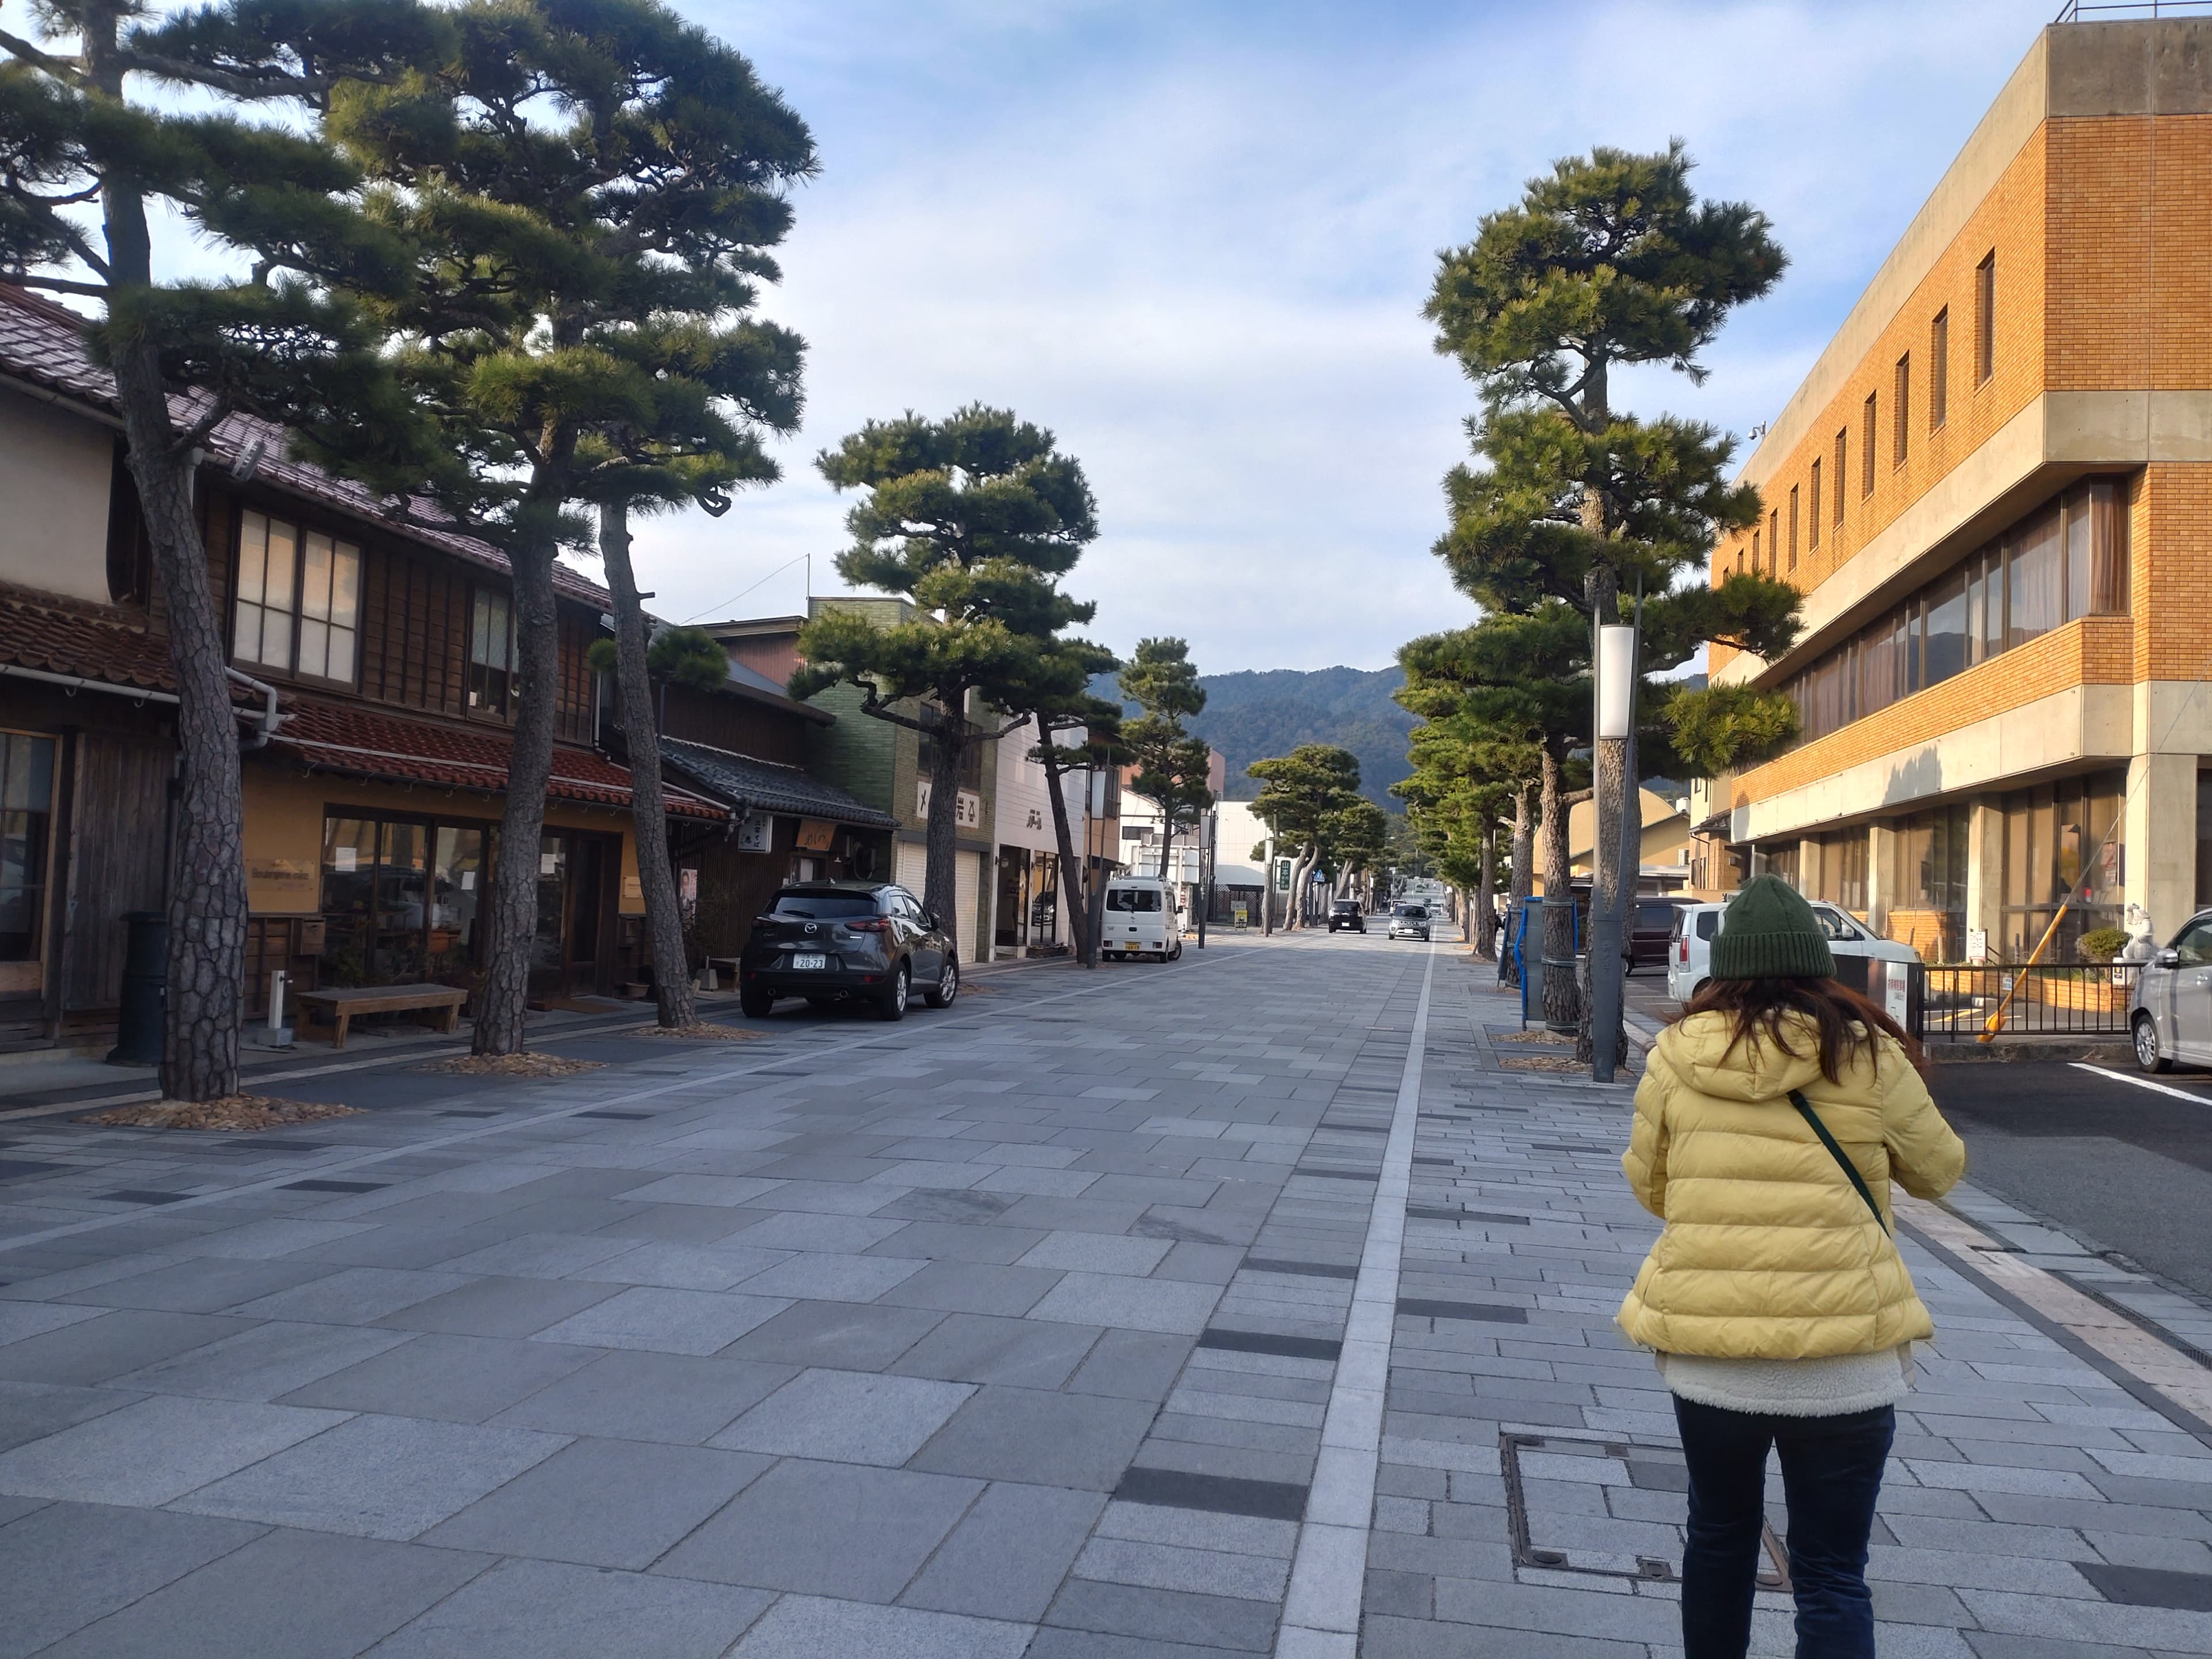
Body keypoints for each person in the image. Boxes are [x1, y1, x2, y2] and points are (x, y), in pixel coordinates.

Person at [1618, 876, 1965, 1659]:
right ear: (1820, 965)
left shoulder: (1678, 1054)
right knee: (1833, 1571)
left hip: (1713, 1355)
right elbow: (1939, 1173)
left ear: (1723, 964)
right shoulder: (1869, 1054)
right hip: (1845, 1355)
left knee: (1718, 1541)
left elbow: (1650, 1185)